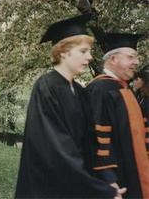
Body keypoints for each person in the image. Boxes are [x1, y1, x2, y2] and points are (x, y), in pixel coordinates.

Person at [15, 14, 122, 198]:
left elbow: (91, 141)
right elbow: (57, 150)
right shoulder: (45, 88)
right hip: (49, 187)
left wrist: (106, 178)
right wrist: (100, 189)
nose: (89, 57)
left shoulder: (80, 91)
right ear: (63, 52)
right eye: (83, 51)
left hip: (74, 184)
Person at [86, 30, 148, 198]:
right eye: (131, 57)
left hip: (134, 174)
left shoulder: (124, 89)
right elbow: (97, 142)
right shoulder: (99, 90)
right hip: (118, 182)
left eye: (136, 57)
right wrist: (108, 181)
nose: (136, 62)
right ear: (113, 59)